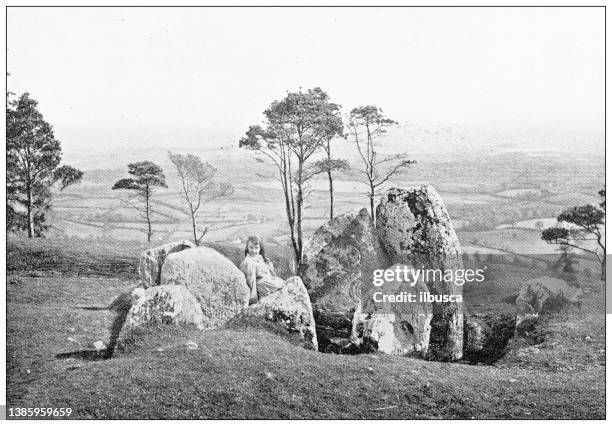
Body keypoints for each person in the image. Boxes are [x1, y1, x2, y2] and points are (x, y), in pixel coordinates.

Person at [239, 236, 285, 304]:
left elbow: (271, 274)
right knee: (280, 285)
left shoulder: (263, 259)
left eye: (256, 248)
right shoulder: (248, 262)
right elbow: (251, 280)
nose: (254, 251)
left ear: (260, 248)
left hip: (268, 280)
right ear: (247, 248)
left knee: (284, 283)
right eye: (251, 247)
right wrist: (253, 295)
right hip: (261, 285)